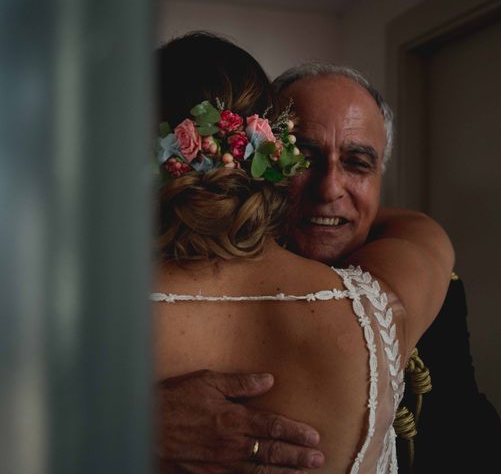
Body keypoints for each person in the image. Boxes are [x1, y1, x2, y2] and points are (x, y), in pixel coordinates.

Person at [153, 32, 453, 474]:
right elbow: (425, 232)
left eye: (358, 163)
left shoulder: (81, 326)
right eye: (306, 156)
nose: (330, 189)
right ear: (270, 156)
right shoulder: (382, 308)